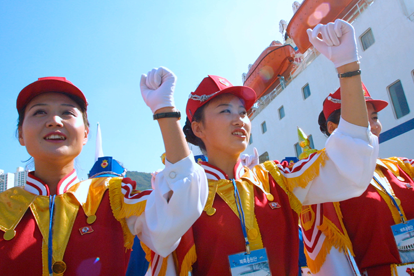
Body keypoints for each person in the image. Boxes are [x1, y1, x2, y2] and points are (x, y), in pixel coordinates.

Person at [142, 19, 379, 275]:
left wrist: (348, 67)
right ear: (198, 128)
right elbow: (162, 234)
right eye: (225, 111)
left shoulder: (278, 179)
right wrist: (165, 112)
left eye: (243, 112)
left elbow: (349, 165)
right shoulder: (184, 192)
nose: (239, 119)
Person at [0, 73, 207, 275]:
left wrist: (165, 110)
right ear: (20, 134)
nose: (54, 121)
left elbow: (180, 206)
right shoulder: (4, 208)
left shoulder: (115, 198)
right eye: (39, 112)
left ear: (86, 134)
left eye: (67, 113)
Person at [301, 83, 414, 276]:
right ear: (332, 127)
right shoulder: (324, 187)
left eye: (374, 117)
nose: (374, 125)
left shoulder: (402, 167)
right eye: (361, 118)